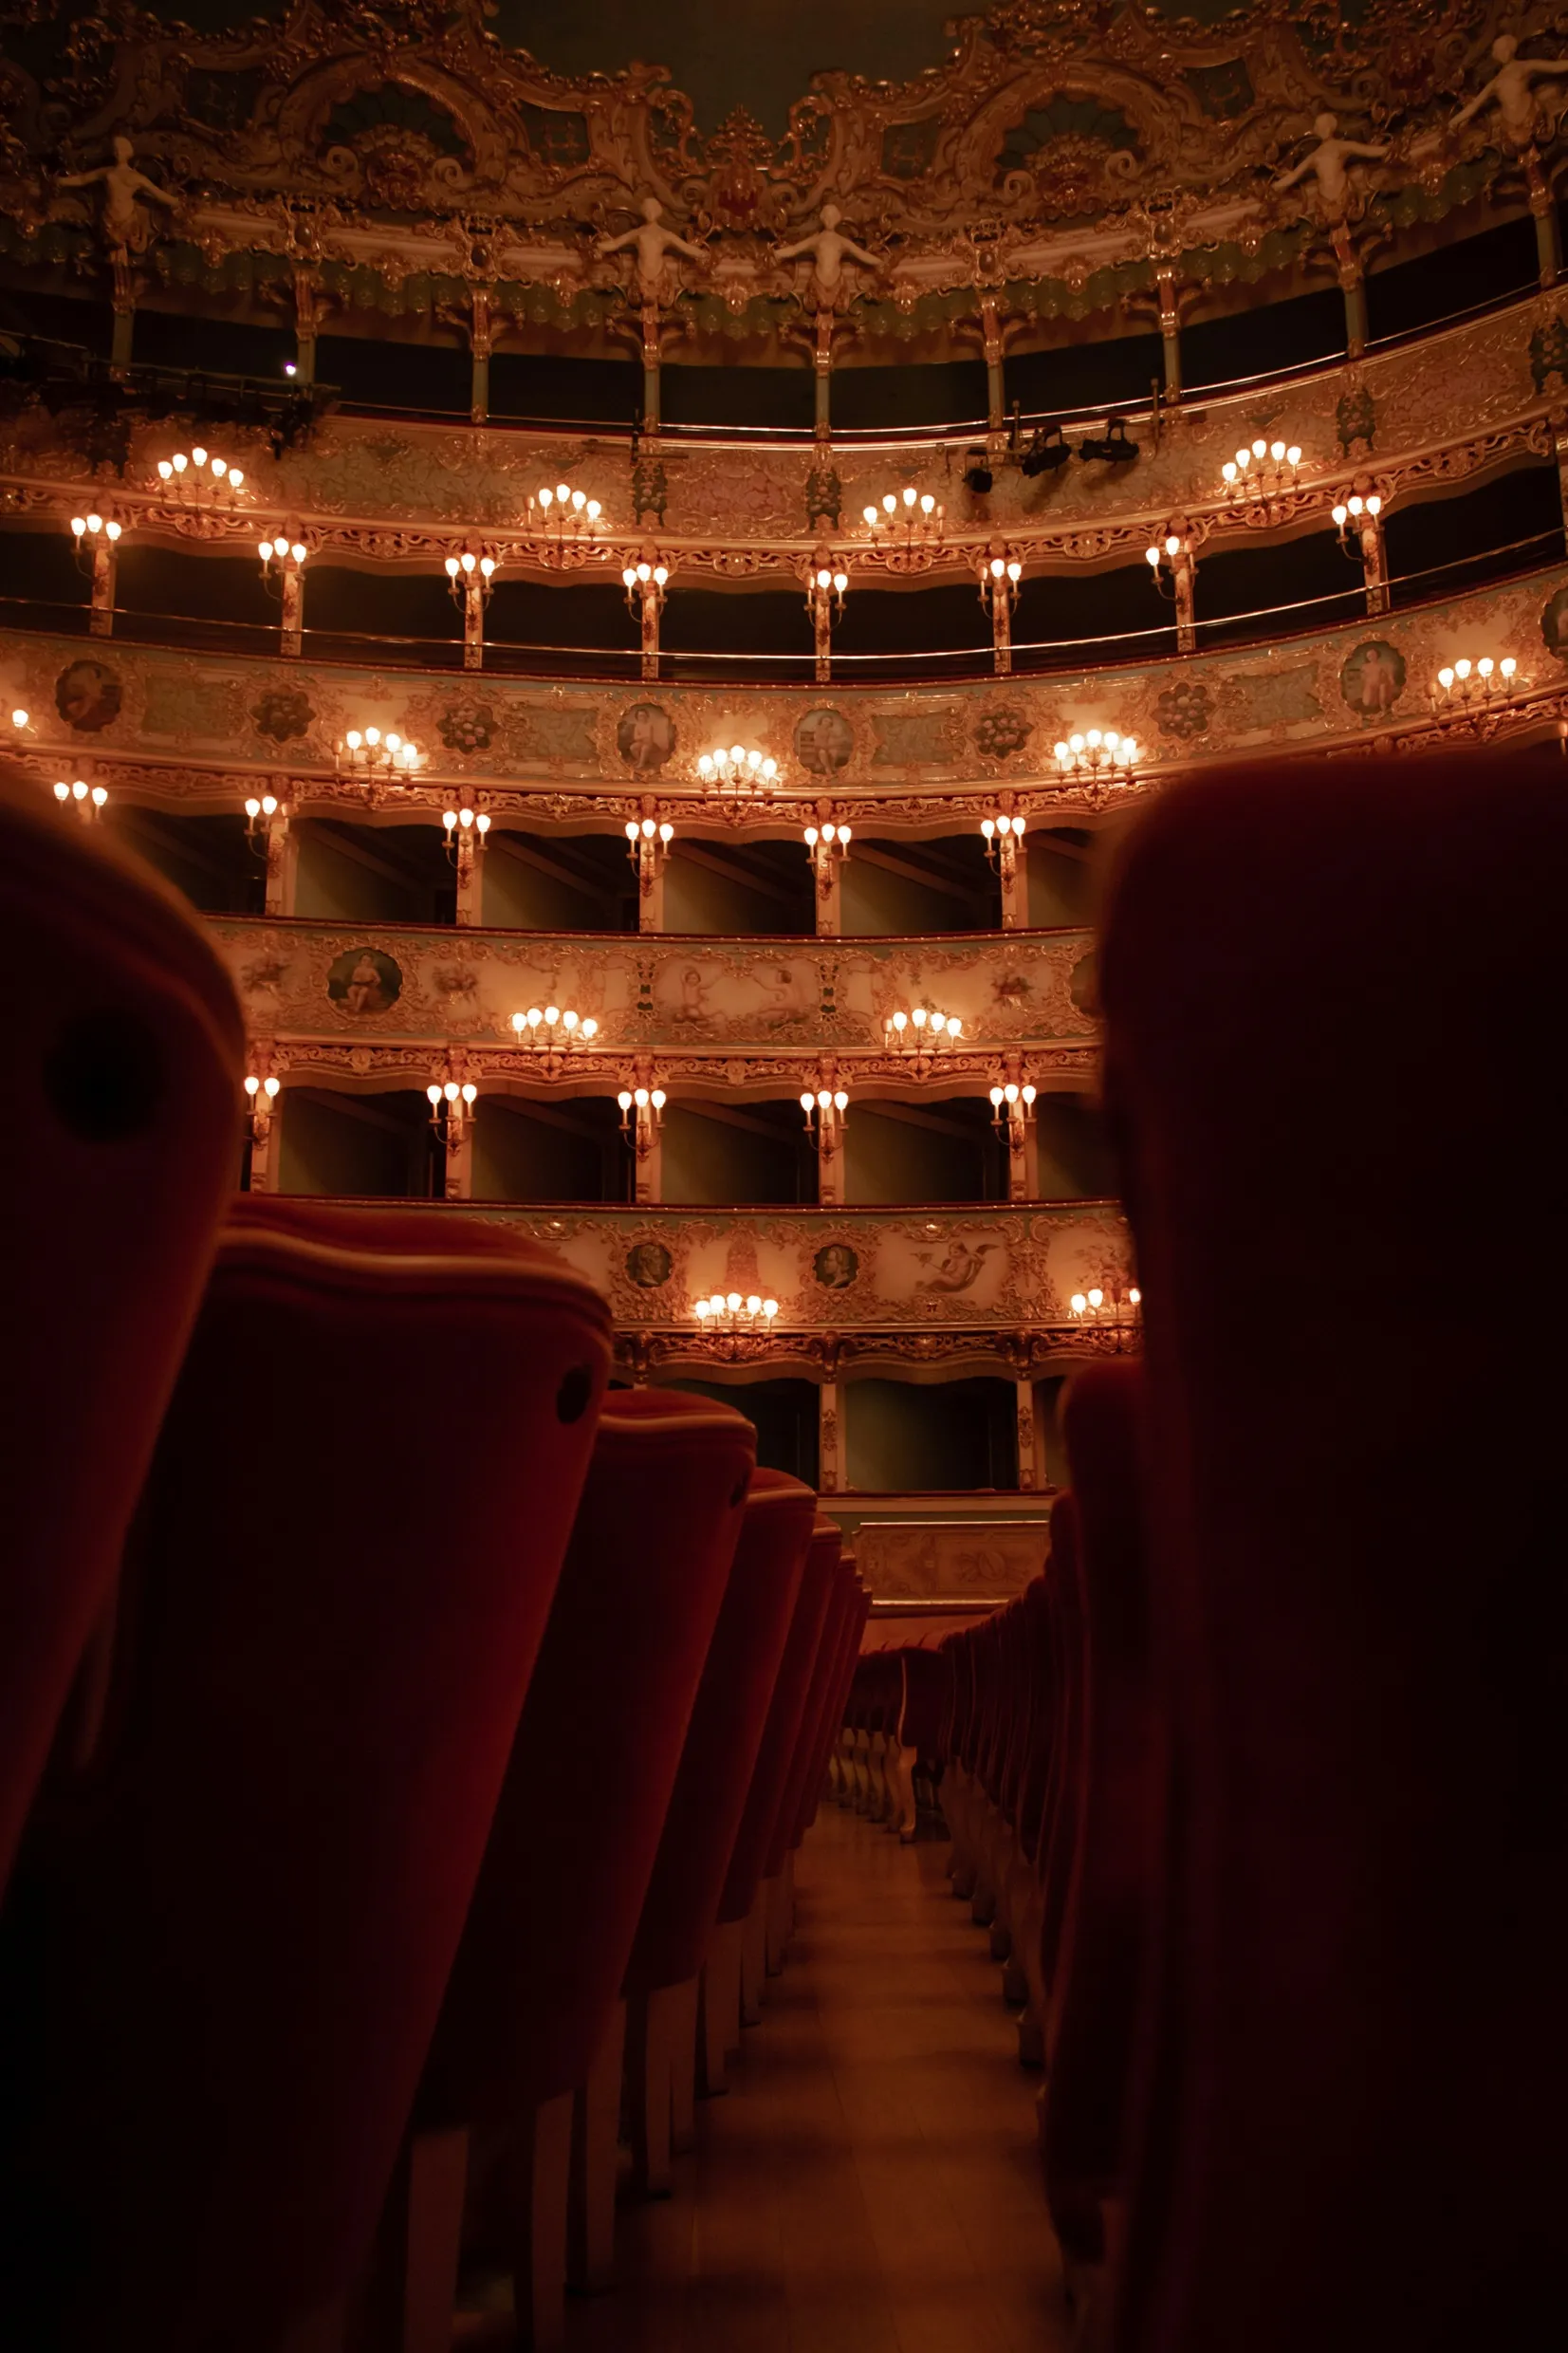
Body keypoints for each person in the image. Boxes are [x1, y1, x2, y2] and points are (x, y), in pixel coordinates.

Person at [57, 136, 175, 261]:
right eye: (116, 150)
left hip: (127, 220)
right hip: (109, 219)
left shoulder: (136, 177)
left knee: (120, 259)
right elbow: (83, 179)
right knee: (112, 256)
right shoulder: (108, 172)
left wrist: (176, 202)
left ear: (128, 152)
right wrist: (61, 181)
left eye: (121, 150)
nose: (118, 153)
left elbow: (157, 193)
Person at [1453, 32, 1568, 150]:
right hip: (1510, 125)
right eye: (1499, 51)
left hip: (1530, 115)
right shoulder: (1496, 81)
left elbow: (1553, 67)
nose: (1503, 53)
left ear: (1511, 49)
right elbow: (1475, 105)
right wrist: (1454, 121)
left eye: (1504, 49)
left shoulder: (1523, 67)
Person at [1273, 113, 1390, 221]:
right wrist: (1275, 186)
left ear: (1327, 128)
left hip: (1342, 195)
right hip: (1324, 200)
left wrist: (1387, 150)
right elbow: (1295, 174)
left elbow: (1366, 150)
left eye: (1318, 127)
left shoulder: (1340, 146)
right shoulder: (1315, 155)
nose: (1316, 129)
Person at [596, 196, 705, 305]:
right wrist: (599, 246)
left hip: (659, 274)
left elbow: (684, 247)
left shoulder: (664, 234)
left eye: (652, 210)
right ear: (643, 212)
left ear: (658, 212)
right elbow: (616, 243)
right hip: (641, 274)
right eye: (647, 210)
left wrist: (701, 253)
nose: (650, 213)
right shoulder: (638, 233)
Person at [774, 205, 880, 306]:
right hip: (818, 281)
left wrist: (878, 261)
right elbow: (795, 249)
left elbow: (860, 254)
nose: (830, 220)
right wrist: (777, 254)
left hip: (837, 282)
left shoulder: (841, 241)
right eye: (827, 216)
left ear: (837, 219)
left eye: (832, 217)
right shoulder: (817, 240)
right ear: (823, 218)